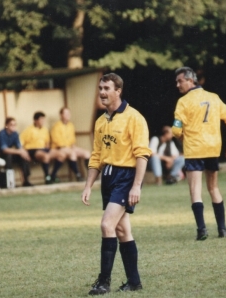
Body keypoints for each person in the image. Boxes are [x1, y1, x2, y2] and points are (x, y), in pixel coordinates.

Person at [82, 73, 151, 294]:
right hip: (108, 178)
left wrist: (137, 185)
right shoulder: (101, 121)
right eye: (100, 88)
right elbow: (96, 157)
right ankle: (134, 282)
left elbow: (142, 154)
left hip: (126, 177)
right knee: (122, 230)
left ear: (118, 91)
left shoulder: (134, 118)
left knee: (106, 225)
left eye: (106, 88)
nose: (102, 92)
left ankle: (103, 282)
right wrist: (88, 185)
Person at [172, 67, 226, 240]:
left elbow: (176, 130)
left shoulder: (183, 102)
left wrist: (183, 136)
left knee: (195, 190)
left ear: (190, 80)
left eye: (180, 81)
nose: (177, 85)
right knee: (213, 188)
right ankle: (222, 229)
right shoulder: (214, 97)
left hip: (194, 150)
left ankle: (202, 230)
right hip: (212, 149)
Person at [20, 112, 64, 184]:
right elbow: (20, 142)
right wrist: (23, 152)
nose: (43, 122)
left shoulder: (45, 129)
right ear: (35, 120)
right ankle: (47, 177)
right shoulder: (28, 130)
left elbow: (47, 142)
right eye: (41, 120)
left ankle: (53, 175)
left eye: (44, 120)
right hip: (32, 150)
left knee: (61, 154)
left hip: (44, 149)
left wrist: (49, 150)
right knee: (45, 156)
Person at [50, 107, 90, 182]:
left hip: (70, 147)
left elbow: (72, 139)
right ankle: (78, 175)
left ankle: (91, 175)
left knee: (86, 153)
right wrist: (68, 148)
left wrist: (73, 146)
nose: (68, 115)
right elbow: (56, 141)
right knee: (72, 154)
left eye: (69, 113)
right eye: (66, 113)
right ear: (61, 115)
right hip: (60, 147)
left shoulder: (71, 125)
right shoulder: (56, 126)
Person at [0, 117, 33, 187]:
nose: (13, 126)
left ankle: (26, 180)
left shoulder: (15, 134)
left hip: (9, 153)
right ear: (6, 125)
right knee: (9, 156)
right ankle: (10, 181)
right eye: (11, 125)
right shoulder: (1, 134)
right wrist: (19, 152)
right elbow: (4, 150)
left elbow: (19, 146)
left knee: (23, 156)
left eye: (15, 125)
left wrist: (24, 152)